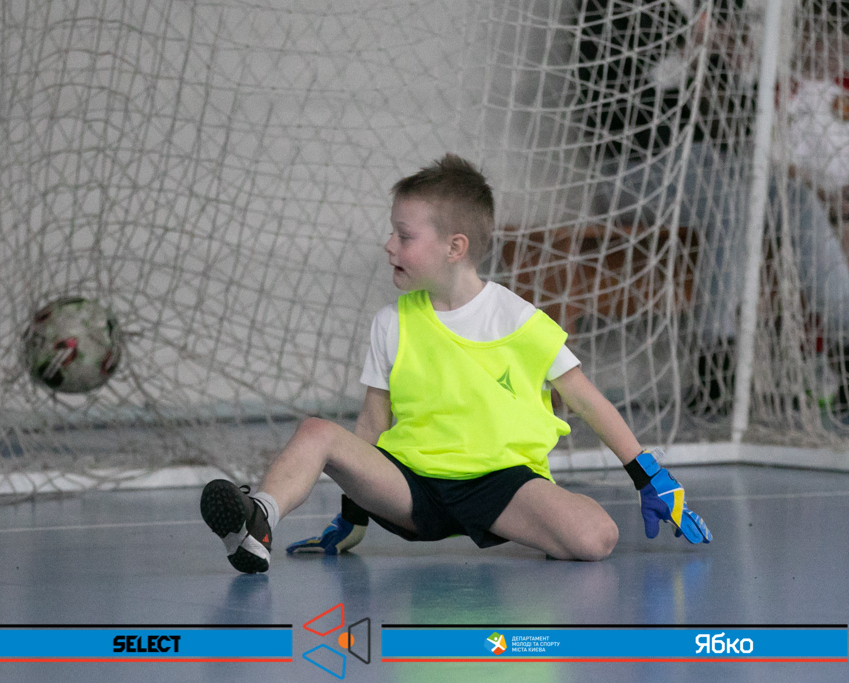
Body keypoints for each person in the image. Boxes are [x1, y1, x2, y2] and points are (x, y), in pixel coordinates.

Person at [201, 154, 711, 572]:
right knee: (317, 431)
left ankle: (520, 529)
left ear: (455, 247)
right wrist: (354, 516)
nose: (389, 245)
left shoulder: (518, 318)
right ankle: (258, 520)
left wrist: (648, 475)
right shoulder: (391, 322)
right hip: (410, 485)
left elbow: (587, 400)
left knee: (597, 537)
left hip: (501, 484)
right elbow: (372, 424)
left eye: (404, 235)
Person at [573, 0, 849, 417]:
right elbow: (616, 98)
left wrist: (741, 71)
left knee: (798, 201)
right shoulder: (618, 7)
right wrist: (688, 47)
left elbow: (735, 123)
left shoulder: (722, 7)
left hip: (713, 165)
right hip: (633, 170)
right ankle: (716, 367)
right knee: (729, 203)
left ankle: (845, 343)